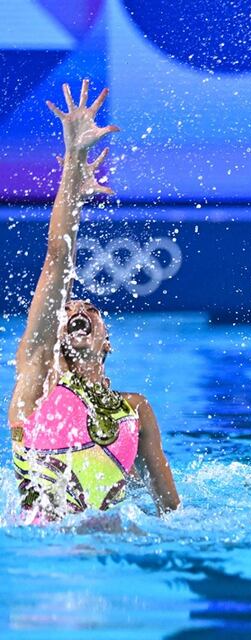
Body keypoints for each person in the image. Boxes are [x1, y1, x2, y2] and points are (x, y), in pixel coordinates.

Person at [9, 80, 179, 520]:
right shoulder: (37, 385)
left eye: (92, 310)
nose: (79, 309)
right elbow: (57, 257)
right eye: (69, 310)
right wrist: (75, 159)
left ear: (107, 341)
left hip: (113, 546)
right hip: (44, 553)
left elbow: (171, 511)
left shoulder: (136, 409)